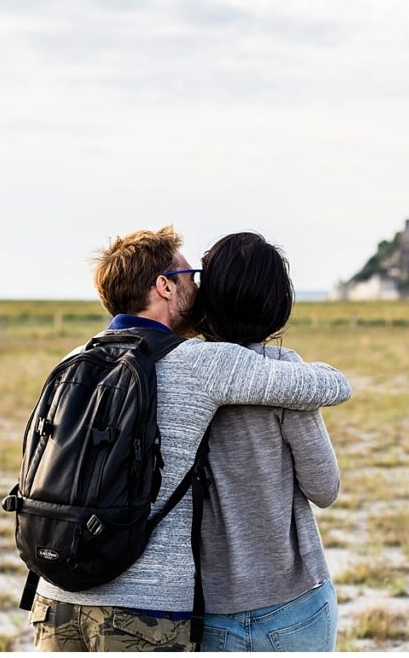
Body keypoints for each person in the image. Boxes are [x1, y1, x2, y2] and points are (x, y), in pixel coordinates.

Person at [28, 226, 352, 652]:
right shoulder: (201, 364)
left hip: (53, 594)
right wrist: (328, 372)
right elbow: (319, 399)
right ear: (163, 286)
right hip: (143, 610)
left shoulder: (74, 358)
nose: (198, 288)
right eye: (191, 276)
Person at [191, 232, 341, 652]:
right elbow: (324, 488)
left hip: (211, 607)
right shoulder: (287, 377)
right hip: (294, 601)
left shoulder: (185, 371)